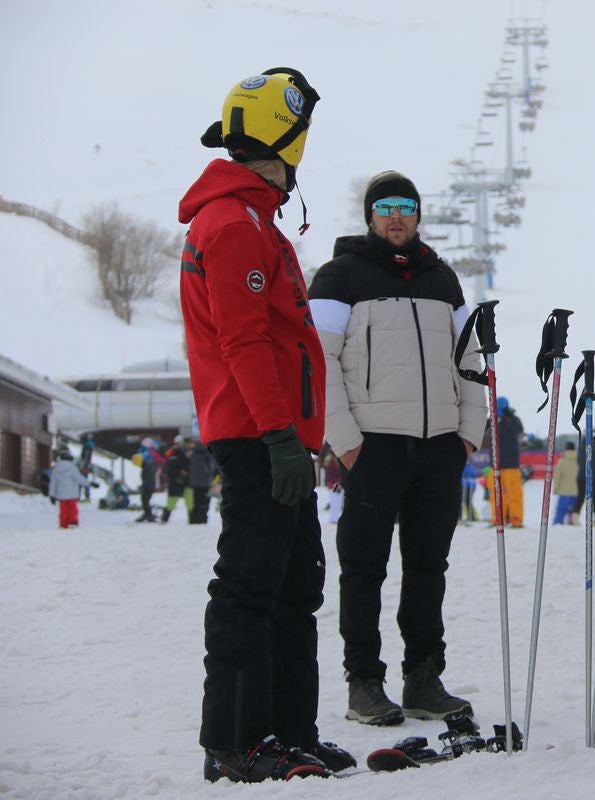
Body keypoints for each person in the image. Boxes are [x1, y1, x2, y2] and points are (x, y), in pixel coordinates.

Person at [181, 68, 352, 782]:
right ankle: (236, 740)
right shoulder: (230, 224)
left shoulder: (255, 220)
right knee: (251, 583)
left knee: (294, 584)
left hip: (280, 435)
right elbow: (243, 341)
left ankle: (289, 731)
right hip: (258, 436)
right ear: (284, 142)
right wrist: (280, 437)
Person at [308, 169, 486, 726]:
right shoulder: (339, 276)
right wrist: (346, 441)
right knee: (363, 568)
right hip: (373, 447)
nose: (396, 215)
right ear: (369, 215)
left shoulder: (444, 280)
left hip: (438, 448)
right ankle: (364, 683)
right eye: (385, 205)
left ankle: (423, 679)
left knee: (429, 566)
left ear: (417, 214)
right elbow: (318, 363)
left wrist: (468, 434)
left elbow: (471, 363)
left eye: (405, 205)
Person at [495, 397, 524, 527]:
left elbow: (519, 429)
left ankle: (515, 519)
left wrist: (509, 417)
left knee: (514, 493)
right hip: (496, 464)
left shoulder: (513, 420)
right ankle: (500, 519)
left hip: (511, 464)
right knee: (497, 494)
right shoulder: (494, 420)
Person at [48, 449, 94, 529]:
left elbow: (53, 483)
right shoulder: (72, 468)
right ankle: (73, 522)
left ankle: (63, 524)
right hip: (72, 494)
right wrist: (89, 483)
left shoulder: (56, 469)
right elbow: (79, 479)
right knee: (73, 508)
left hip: (61, 495)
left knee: (63, 510)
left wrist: (52, 495)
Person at [134, 438, 164, 523]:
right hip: (150, 484)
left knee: (145, 500)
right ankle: (148, 514)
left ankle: (148, 515)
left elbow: (148, 477)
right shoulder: (149, 463)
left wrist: (145, 485)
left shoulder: (147, 463)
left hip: (148, 485)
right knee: (145, 500)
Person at [187, 438, 216, 525]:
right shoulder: (207, 455)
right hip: (205, 482)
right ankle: (202, 518)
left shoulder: (192, 455)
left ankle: (193, 519)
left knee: (196, 501)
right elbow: (211, 468)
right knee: (204, 502)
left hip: (194, 482)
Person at [162, 435, 190, 523]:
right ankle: (164, 519)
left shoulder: (176, 453)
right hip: (177, 482)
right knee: (173, 501)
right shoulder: (175, 453)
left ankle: (164, 519)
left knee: (189, 502)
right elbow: (170, 468)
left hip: (182, 482)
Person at [551, 440, 579, 524]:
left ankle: (558, 523)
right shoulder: (579, 460)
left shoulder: (562, 461)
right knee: (573, 510)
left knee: (561, 510)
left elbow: (557, 476)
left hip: (564, 490)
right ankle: (572, 523)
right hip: (576, 490)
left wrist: (555, 489)